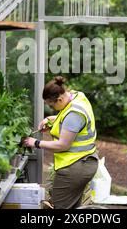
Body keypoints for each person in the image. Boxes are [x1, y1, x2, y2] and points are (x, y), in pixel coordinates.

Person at [23, 76, 98, 209]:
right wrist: (51, 119)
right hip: (85, 162)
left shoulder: (74, 114)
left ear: (60, 99)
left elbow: (62, 145)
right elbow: (66, 117)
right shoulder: (77, 96)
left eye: (52, 105)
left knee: (60, 207)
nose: (53, 108)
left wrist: (35, 142)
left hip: (75, 167)